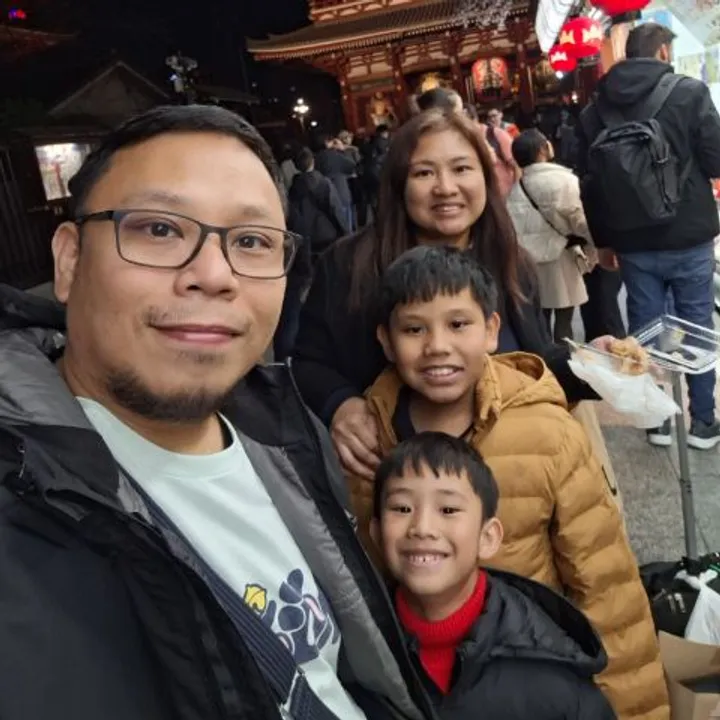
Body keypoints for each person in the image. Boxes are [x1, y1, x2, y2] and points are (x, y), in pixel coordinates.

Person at [0, 105, 434, 720]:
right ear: (70, 260)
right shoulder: (24, 520)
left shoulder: (286, 432)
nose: (213, 275)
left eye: (251, 242)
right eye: (159, 230)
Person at [348, 245, 668, 719]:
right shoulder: (366, 438)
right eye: (414, 329)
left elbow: (607, 589)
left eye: (458, 324)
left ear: (492, 330)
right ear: (386, 340)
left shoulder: (548, 433)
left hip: (530, 677)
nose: (437, 345)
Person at [294, 108, 612, 482]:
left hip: (511, 478)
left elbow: (533, 360)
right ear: (399, 183)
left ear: (486, 177)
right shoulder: (350, 266)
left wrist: (589, 364)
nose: (445, 188)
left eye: (461, 169)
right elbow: (308, 362)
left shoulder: (512, 262)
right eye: (424, 173)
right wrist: (340, 404)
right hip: (400, 486)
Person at [370, 432, 616, 719]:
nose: (422, 528)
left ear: (487, 538)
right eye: (402, 508)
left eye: (448, 509)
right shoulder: (352, 645)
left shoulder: (551, 673)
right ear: (376, 532)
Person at [576, 22, 720, 448]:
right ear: (662, 53)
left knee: (645, 328)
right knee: (696, 325)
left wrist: (603, 241)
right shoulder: (690, 92)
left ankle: (656, 422)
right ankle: (703, 422)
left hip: (631, 241)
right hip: (689, 233)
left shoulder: (594, 109)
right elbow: (716, 160)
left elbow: (589, 184)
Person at [507, 129, 596, 343]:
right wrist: (595, 248)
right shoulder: (564, 180)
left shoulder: (516, 189)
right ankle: (565, 359)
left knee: (541, 319)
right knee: (564, 322)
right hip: (561, 259)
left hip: (529, 263)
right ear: (542, 150)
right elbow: (580, 221)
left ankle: (545, 358)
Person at [275, 146, 348, 358]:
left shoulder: (293, 188)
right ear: (312, 162)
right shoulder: (322, 183)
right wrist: (346, 234)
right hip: (326, 237)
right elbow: (335, 209)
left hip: (304, 241)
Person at [314, 132, 357, 233]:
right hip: (341, 193)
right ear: (327, 142)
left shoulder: (316, 158)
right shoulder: (335, 155)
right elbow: (351, 166)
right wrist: (342, 149)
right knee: (347, 226)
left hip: (326, 196)